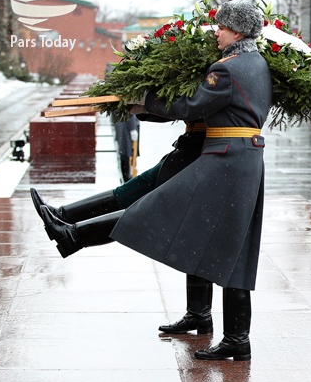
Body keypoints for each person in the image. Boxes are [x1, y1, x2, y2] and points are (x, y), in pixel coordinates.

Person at [39, 1, 272, 360]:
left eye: (222, 27)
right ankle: (236, 338)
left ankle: (72, 234)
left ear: (237, 32)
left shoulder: (227, 69)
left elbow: (190, 106)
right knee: (231, 249)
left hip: (224, 160)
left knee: (154, 208)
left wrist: (144, 98)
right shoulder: (256, 63)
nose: (217, 32)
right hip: (241, 159)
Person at [31, 119, 213, 334]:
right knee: (135, 192)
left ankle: (73, 235)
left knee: (148, 212)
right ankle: (65, 218)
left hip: (203, 151)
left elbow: (192, 104)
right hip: (194, 148)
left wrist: (147, 102)